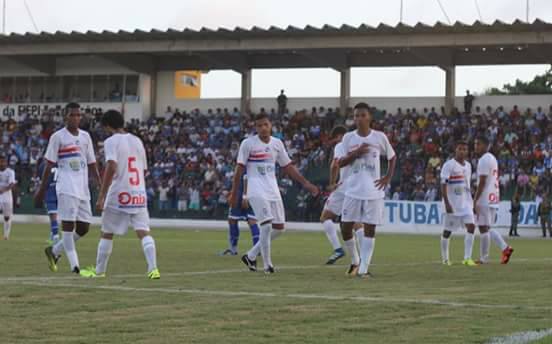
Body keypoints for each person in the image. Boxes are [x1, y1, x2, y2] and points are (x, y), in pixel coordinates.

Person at [232, 113, 319, 274]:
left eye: (265, 124)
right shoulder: (248, 143)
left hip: (272, 189)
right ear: (255, 128)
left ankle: (251, 255)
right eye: (259, 126)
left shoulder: (277, 144)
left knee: (279, 228)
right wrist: (234, 193)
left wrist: (306, 183)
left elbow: (288, 167)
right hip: (256, 189)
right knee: (265, 226)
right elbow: (239, 169)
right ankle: (268, 265)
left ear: (270, 125)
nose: (263, 128)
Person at [80, 110, 160, 279]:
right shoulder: (137, 141)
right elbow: (144, 169)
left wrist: (102, 194)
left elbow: (111, 166)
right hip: (138, 192)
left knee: (107, 232)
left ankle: (100, 272)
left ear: (108, 125)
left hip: (119, 193)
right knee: (143, 232)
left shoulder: (111, 141)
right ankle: (153, 269)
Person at [35, 103, 101, 274]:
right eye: (73, 115)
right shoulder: (58, 137)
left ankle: (54, 251)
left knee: (84, 228)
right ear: (66, 117)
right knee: (68, 226)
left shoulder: (86, 137)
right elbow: (49, 164)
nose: (76, 118)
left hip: (83, 188)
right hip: (66, 186)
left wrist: (100, 185)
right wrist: (41, 190)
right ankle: (75, 266)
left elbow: (92, 163)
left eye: (79, 115)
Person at [338, 103, 397, 278]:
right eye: (356, 116)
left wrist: (387, 177)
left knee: (370, 229)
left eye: (362, 115)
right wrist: (356, 153)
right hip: (352, 190)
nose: (359, 118)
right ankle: (355, 259)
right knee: (345, 227)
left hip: (374, 191)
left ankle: (363, 269)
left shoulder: (379, 137)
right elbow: (339, 162)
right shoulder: (348, 138)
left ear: (369, 117)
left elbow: (392, 157)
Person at [473, 136, 514, 264]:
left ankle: (484, 258)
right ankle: (505, 248)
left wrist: (475, 199)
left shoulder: (483, 160)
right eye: (475, 144)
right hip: (493, 196)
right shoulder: (492, 158)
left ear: (486, 146)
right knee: (487, 227)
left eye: (478, 144)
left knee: (483, 228)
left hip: (485, 197)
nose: (476, 147)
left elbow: (483, 181)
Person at [440, 141, 478, 267]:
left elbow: (467, 185)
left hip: (466, 203)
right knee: (447, 232)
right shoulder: (449, 165)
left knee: (471, 227)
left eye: (465, 149)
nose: (462, 151)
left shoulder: (468, 165)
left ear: (467, 151)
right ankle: (445, 259)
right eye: (460, 149)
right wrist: (447, 203)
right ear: (455, 150)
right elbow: (443, 184)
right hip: (453, 204)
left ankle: (467, 258)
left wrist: (471, 202)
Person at [319, 126, 348, 265]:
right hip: (360, 188)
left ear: (339, 136)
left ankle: (338, 249)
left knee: (325, 217)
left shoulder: (341, 145)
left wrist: (332, 183)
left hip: (344, 187)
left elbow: (335, 165)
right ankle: (362, 259)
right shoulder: (359, 144)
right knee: (355, 223)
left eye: (335, 137)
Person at [219, 173, 260, 256]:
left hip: (241, 195)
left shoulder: (244, 161)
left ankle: (233, 249)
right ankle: (257, 249)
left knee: (233, 220)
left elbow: (245, 176)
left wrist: (244, 196)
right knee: (251, 221)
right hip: (252, 193)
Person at [37, 158, 59, 243]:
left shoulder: (43, 165)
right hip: (61, 190)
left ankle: (56, 237)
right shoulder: (60, 162)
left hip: (50, 191)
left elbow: (41, 179)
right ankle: (52, 236)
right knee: (55, 216)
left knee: (53, 216)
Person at [0, 156, 16, 240]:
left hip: (7, 195)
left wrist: (3, 189)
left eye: (4, 162)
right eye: (1, 162)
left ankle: (6, 235)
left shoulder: (10, 172)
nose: (2, 164)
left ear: (6, 163)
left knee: (7, 217)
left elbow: (12, 184)